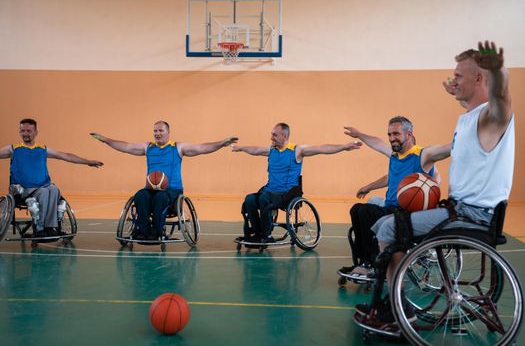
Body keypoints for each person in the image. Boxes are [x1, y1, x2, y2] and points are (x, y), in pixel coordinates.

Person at [361, 41, 515, 325]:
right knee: (386, 224)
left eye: (459, 75)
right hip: (460, 209)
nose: (452, 80)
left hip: (475, 215)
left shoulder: (489, 118)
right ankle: (395, 300)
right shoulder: (469, 118)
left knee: (390, 227)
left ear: (479, 78)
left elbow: (503, 104)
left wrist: (499, 71)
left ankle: (397, 308)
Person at [91, 121, 237, 240]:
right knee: (140, 195)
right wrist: (106, 140)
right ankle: (143, 231)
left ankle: (156, 232)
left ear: (168, 132)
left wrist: (221, 143)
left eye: (161, 131)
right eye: (155, 131)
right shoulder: (148, 147)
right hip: (151, 188)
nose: (157, 134)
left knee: (160, 197)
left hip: (172, 190)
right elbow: (125, 146)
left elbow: (201, 148)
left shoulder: (178, 147)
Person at [339, 117, 446, 280]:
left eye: (396, 133)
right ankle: (364, 262)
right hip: (390, 208)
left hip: (407, 212)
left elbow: (442, 151)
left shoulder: (422, 155)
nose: (391, 138)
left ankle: (373, 265)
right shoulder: (395, 156)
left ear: (409, 135)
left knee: (367, 211)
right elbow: (377, 143)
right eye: (389, 134)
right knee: (356, 209)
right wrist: (359, 134)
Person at [232, 122, 362, 244]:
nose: (271, 137)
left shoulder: (297, 150)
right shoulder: (272, 150)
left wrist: (344, 147)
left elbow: (322, 148)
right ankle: (257, 233)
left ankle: (267, 236)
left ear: (284, 136)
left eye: (274, 135)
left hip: (286, 194)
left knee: (264, 197)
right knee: (249, 199)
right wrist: (240, 148)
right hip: (269, 192)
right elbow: (255, 150)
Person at [0, 118, 103, 237]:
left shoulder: (42, 149)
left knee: (54, 189)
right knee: (44, 192)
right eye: (22, 131)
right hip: (22, 190)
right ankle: (39, 228)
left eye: (29, 131)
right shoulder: (13, 149)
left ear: (36, 132)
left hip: (41, 187)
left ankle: (51, 227)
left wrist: (87, 162)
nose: (25, 134)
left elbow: (66, 156)